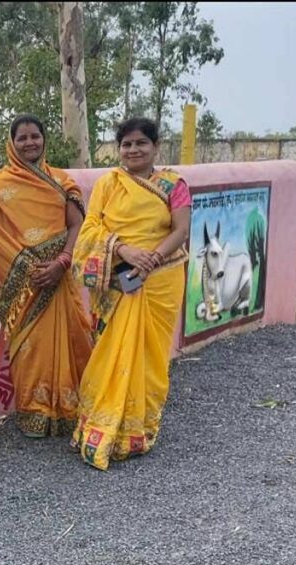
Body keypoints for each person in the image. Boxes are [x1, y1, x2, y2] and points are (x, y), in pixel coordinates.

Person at [71, 117, 192, 471]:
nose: (133, 150)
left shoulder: (173, 184)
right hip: (120, 277)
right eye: (126, 144)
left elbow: (181, 229)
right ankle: (99, 429)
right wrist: (124, 250)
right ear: (119, 149)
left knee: (150, 355)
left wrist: (152, 257)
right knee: (111, 351)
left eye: (141, 143)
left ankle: (137, 433)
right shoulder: (109, 183)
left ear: (156, 146)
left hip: (161, 278)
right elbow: (92, 227)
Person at [0, 115, 94, 438]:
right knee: (33, 349)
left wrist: (62, 261)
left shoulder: (61, 182)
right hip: (29, 286)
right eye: (23, 138)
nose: (30, 143)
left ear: (45, 139)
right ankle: (35, 414)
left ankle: (71, 413)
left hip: (60, 278)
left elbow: (76, 225)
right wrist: (33, 272)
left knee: (74, 341)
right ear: (11, 143)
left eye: (35, 136)